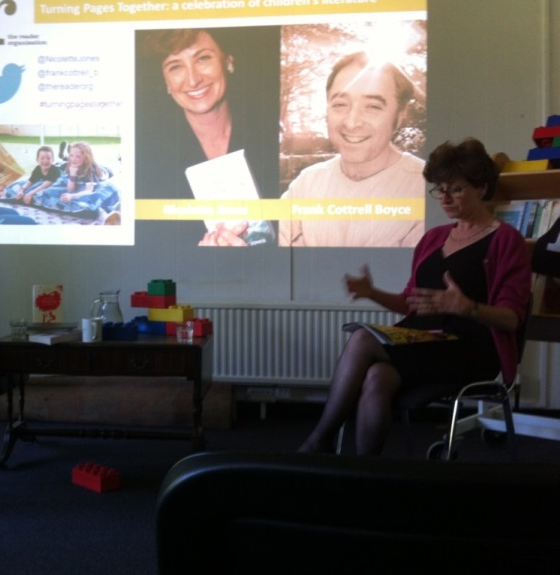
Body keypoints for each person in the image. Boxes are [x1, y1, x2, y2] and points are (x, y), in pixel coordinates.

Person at [298, 138, 531, 455]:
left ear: (482, 187)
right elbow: (412, 302)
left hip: (472, 350)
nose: (445, 198)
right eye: (440, 189)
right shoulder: (433, 239)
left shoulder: (507, 240)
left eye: (456, 189)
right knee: (378, 375)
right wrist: (371, 293)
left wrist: (468, 307)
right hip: (421, 342)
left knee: (363, 341)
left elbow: (512, 318)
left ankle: (319, 440)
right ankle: (366, 473)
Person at [136, 27, 280, 246]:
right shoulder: (147, 160)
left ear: (228, 61)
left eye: (203, 58)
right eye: (175, 67)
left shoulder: (270, 138)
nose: (193, 80)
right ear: (165, 82)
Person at [279, 51, 426, 247]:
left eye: (372, 107)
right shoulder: (307, 182)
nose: (351, 122)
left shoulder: (426, 187)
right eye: (340, 104)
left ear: (399, 116)